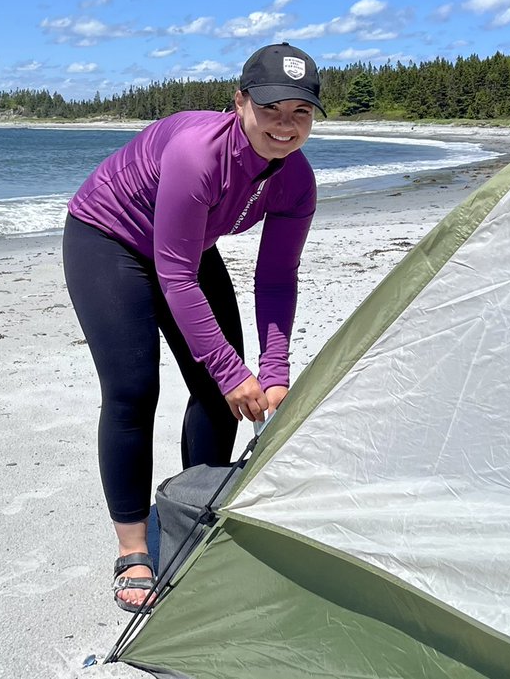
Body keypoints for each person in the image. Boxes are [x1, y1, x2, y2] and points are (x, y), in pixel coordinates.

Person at [62, 42, 323, 612]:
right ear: (240, 103)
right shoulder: (198, 152)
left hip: (184, 245)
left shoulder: (297, 180)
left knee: (217, 393)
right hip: (109, 239)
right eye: (272, 109)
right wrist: (234, 369)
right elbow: (176, 276)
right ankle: (134, 549)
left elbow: (277, 276)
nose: (285, 126)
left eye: (300, 113)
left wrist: (273, 371)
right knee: (134, 390)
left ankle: (194, 514)